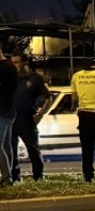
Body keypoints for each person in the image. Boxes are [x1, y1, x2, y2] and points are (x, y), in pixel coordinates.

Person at [9, 53, 51, 181]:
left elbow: (48, 97)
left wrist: (41, 114)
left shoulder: (34, 78)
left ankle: (38, 177)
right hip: (11, 119)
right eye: (12, 62)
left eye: (17, 62)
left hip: (27, 120)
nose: (14, 65)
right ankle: (15, 178)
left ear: (24, 63)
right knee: (11, 151)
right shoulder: (9, 79)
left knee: (33, 150)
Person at [0, 47, 17, 187]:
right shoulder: (8, 66)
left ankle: (7, 178)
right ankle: (9, 176)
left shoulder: (5, 67)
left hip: (3, 111)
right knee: (5, 146)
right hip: (7, 110)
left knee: (2, 146)